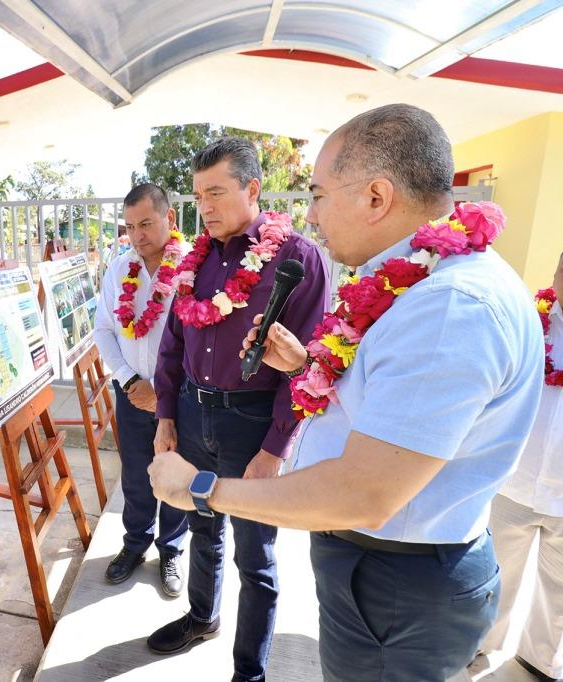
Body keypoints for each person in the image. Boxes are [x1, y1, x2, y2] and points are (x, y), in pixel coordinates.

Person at [148, 103, 544, 681]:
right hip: (382, 572)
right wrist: (306, 362)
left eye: (317, 194)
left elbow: (365, 493)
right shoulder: (423, 284)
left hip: (395, 584)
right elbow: (385, 401)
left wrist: (201, 489)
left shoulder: (448, 307)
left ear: (376, 197)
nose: (311, 213)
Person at [148, 138, 330, 681]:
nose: (204, 206)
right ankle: (202, 617)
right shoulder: (194, 260)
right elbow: (173, 344)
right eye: (199, 194)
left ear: (252, 189)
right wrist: (165, 414)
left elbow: (308, 365)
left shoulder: (296, 258)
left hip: (253, 423)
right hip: (192, 413)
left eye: (217, 192)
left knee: (256, 557)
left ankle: (249, 671)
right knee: (204, 528)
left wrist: (277, 446)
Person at [476, 232, 563, 682]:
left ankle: (540, 666)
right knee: (489, 583)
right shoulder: (526, 322)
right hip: (511, 484)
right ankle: (477, 648)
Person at [93, 183, 189, 595]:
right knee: (135, 475)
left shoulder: (192, 269)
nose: (138, 235)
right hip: (131, 392)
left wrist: (163, 392)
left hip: (181, 397)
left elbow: (200, 342)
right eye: (130, 226)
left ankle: (171, 550)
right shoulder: (119, 270)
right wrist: (131, 380)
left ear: (170, 219)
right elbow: (103, 330)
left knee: (178, 474)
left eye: (146, 224)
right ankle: (135, 544)